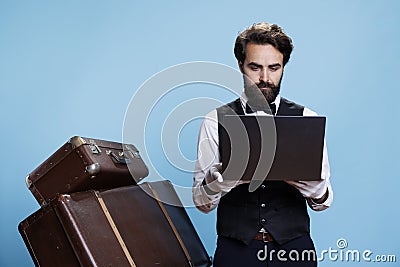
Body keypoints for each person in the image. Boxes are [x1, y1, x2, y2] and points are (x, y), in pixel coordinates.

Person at [192, 22, 333, 267]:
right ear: (240, 66)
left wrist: (313, 189)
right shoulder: (215, 120)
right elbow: (200, 202)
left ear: (283, 67)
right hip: (235, 252)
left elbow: (323, 202)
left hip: (294, 251)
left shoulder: (308, 119)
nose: (265, 78)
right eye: (255, 67)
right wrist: (223, 181)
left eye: (274, 68)